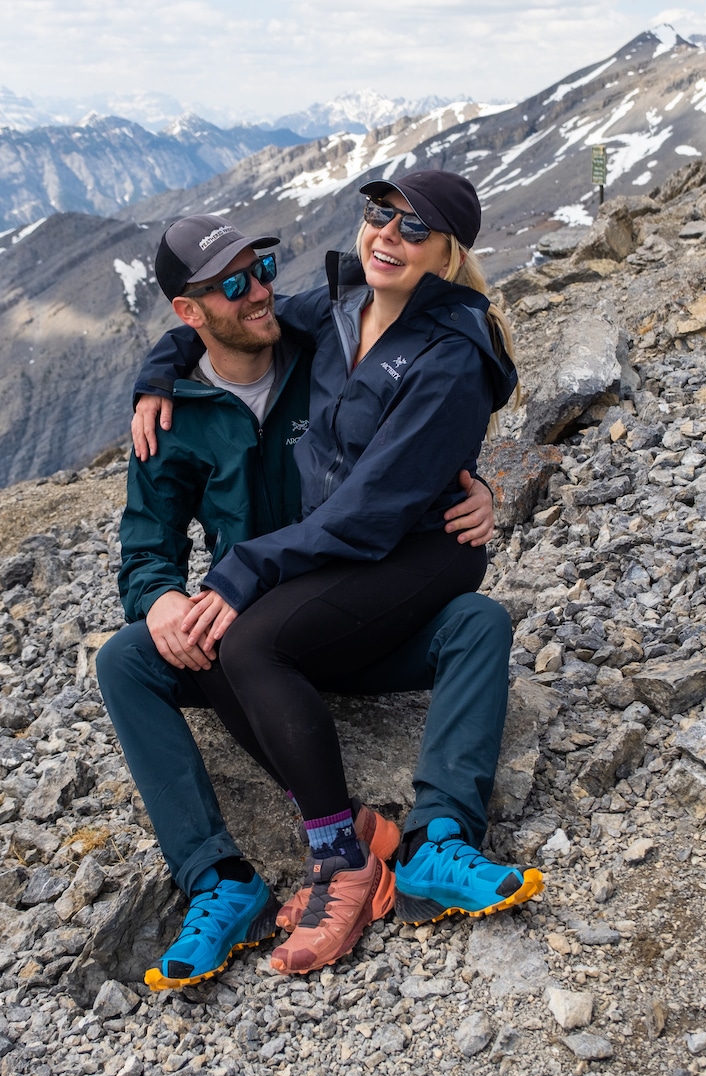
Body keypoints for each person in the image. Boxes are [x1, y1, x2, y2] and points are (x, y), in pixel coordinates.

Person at [133, 171, 542, 977]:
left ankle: (355, 860)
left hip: (414, 552)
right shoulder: (341, 307)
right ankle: (309, 855)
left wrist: (241, 570)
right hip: (341, 561)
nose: (385, 235)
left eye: (411, 229)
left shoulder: (452, 354)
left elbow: (372, 508)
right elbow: (236, 323)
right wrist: (160, 369)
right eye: (378, 215)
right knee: (197, 643)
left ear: (450, 254)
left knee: (247, 642)